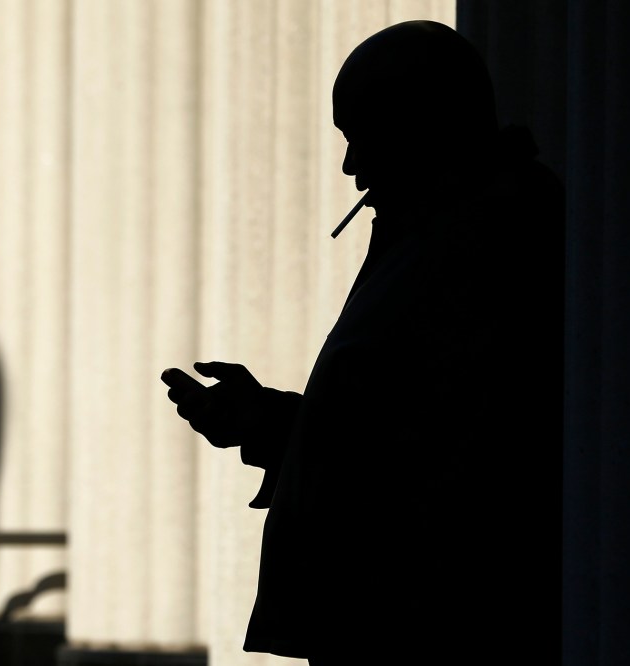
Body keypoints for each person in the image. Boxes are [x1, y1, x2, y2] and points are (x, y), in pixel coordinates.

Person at [162, 19, 563, 664]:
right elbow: (386, 424)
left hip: (425, 623)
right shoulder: (435, 232)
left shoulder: (488, 239)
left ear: (421, 125)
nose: (351, 166)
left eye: (361, 138)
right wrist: (261, 418)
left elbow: (441, 445)